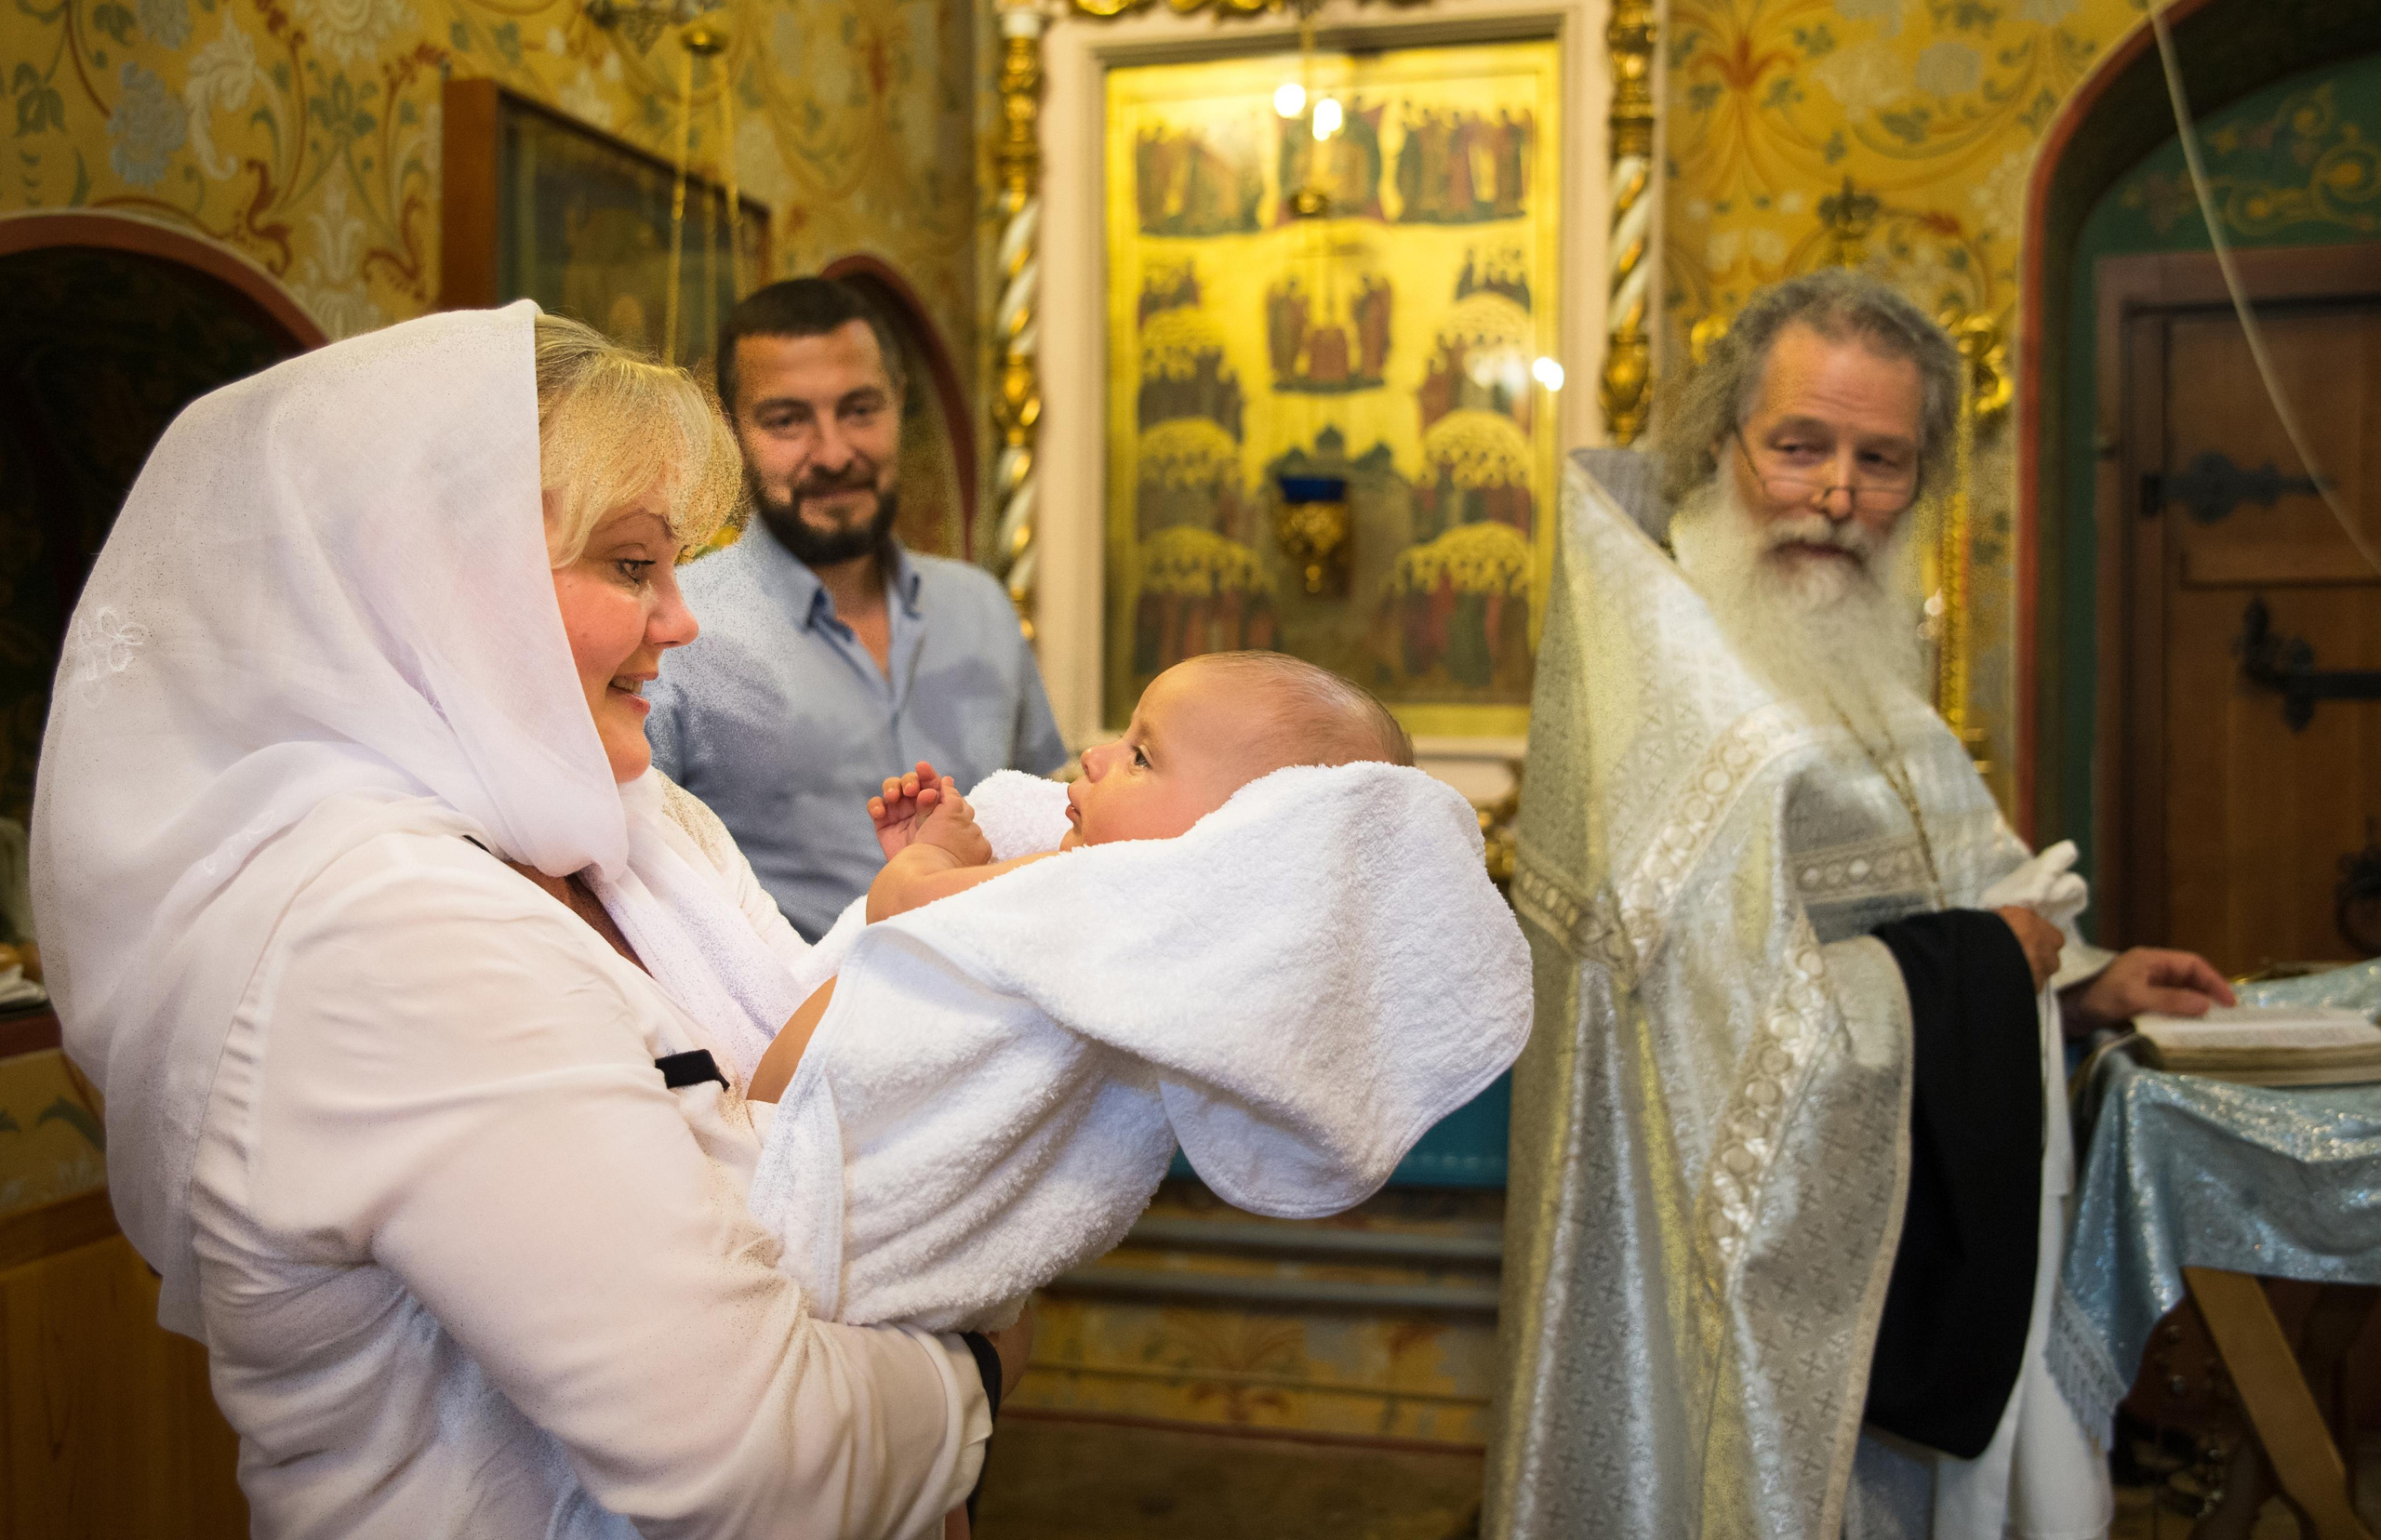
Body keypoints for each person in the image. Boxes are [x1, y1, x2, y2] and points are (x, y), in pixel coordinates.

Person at [32, 304, 1025, 1537]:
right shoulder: (384, 937)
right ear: (447, 585)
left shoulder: (637, 831)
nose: (683, 619)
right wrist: (972, 1368)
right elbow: (751, 1460)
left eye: (674, 564)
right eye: (628, 566)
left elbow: (809, 1087)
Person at [1486, 270, 2234, 1540]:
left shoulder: (1868, 670)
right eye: (1800, 446)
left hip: (1904, 1234)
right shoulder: (1676, 684)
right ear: (1724, 444)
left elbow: (1966, 882)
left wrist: (2078, 982)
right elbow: (1716, 1033)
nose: (1837, 495)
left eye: (1881, 461)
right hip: (1747, 1294)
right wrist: (1988, 970)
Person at [725, 652, 1532, 1337]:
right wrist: (956, 864)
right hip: (800, 1164)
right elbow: (937, 942)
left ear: (1237, 838)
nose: (1096, 755)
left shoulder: (1104, 893)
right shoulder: (1138, 934)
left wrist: (926, 864)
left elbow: (904, 909)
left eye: (1143, 757)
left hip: (798, 1191)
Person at [645, 278, 1068, 941]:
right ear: (730, 427)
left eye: (860, 409)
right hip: (795, 1023)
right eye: (787, 420)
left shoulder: (980, 607)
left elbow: (1048, 818)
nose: (836, 453)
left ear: (899, 403)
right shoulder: (672, 632)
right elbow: (637, 890)